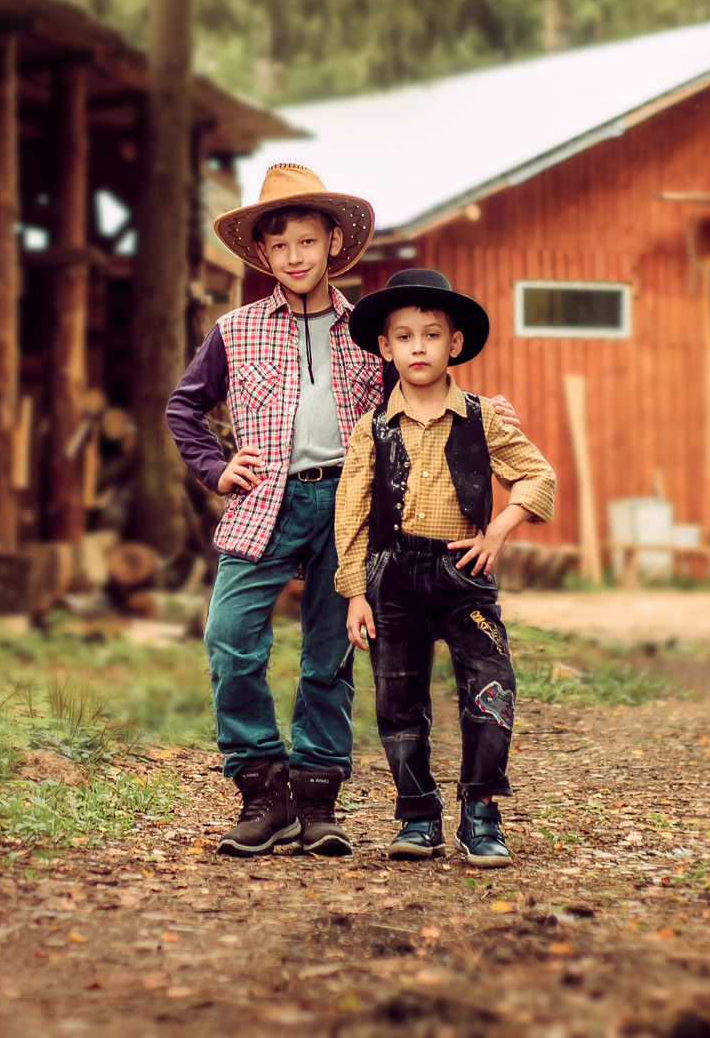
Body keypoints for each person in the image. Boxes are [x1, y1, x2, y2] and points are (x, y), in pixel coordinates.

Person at [166, 167, 520, 856]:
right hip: (263, 499)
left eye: (307, 240)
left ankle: (318, 800)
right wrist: (216, 466)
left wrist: (482, 411)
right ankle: (262, 792)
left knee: (328, 656)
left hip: (353, 508)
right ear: (263, 256)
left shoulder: (369, 331)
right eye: (280, 246)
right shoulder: (234, 330)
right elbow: (185, 406)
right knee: (228, 639)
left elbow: (423, 388)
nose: (295, 256)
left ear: (333, 242)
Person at [335, 269, 556, 867]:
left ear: (453, 343)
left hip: (463, 576)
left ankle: (481, 814)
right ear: (386, 348)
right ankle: (417, 815)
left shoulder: (484, 418)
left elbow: (539, 477)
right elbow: (351, 515)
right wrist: (356, 593)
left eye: (431, 334)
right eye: (403, 337)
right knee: (398, 698)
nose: (418, 347)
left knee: (492, 688)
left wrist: (499, 530)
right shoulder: (371, 429)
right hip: (393, 577)